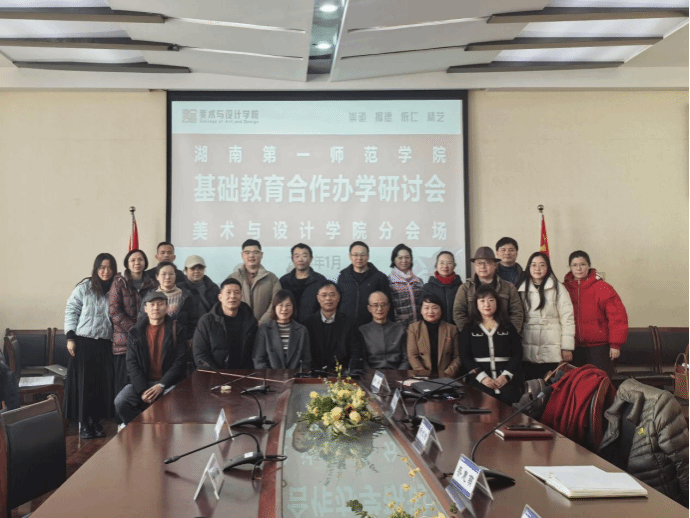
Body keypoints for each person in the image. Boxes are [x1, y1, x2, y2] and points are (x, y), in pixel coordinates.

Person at [64, 253, 117, 439]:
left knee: (100, 386)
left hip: (104, 344)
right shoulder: (85, 287)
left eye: (109, 267)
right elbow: (71, 310)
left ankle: (96, 421)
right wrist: (70, 337)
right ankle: (84, 423)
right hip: (83, 342)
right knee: (84, 385)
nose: (106, 271)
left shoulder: (117, 289)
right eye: (102, 267)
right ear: (96, 269)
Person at [114, 291, 187, 425]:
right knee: (121, 402)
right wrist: (142, 390)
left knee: (171, 403)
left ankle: (160, 431)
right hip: (143, 382)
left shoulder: (177, 329)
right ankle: (139, 428)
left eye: (160, 304)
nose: (156, 308)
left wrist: (161, 385)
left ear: (167, 307)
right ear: (145, 308)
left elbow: (179, 362)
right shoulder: (135, 332)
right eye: (152, 305)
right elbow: (131, 363)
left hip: (167, 383)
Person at [563, 251, 628, 378]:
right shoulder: (563, 288)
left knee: (601, 382)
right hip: (573, 348)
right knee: (576, 383)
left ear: (589, 266)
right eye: (574, 265)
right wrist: (564, 346)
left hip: (599, 348)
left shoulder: (603, 287)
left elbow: (617, 317)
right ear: (570, 267)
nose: (579, 268)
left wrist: (615, 344)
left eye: (582, 264)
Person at [459, 284, 523, 404]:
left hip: (506, 382)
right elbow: (465, 357)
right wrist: (482, 378)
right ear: (476, 304)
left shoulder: (508, 326)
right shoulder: (469, 328)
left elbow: (517, 354)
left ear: (497, 303)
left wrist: (506, 376)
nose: (487, 304)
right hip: (479, 383)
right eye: (482, 301)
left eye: (491, 300)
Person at [517, 252, 575, 381]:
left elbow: (567, 318)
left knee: (551, 385)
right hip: (527, 346)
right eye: (533, 265)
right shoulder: (520, 288)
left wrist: (567, 347)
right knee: (531, 386)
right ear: (528, 267)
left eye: (542, 265)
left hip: (553, 347)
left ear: (548, 267)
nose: (537, 269)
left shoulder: (558, 288)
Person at [109, 249, 155, 396]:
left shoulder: (152, 283)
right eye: (133, 260)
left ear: (145, 262)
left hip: (146, 341)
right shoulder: (119, 282)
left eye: (140, 259)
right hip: (124, 342)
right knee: (123, 386)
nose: (137, 263)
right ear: (127, 263)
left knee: (143, 384)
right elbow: (114, 312)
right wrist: (134, 329)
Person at [453, 246, 524, 334]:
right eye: (479, 263)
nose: (482, 266)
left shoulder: (509, 288)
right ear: (475, 266)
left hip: (503, 336)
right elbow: (458, 313)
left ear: (495, 265)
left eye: (487, 263)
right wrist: (469, 333)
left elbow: (517, 313)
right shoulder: (465, 288)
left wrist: (510, 334)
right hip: (474, 336)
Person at [193, 279, 258, 369]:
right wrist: (218, 374)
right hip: (215, 374)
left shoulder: (250, 321)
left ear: (241, 296)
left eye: (236, 292)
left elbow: (257, 353)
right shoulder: (206, 321)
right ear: (220, 297)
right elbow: (200, 356)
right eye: (228, 292)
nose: (232, 296)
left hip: (245, 373)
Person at [303, 281, 363, 371]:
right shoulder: (307, 324)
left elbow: (356, 352)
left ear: (338, 297)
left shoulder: (350, 323)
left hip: (342, 373)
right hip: (315, 373)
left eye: (332, 295)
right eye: (324, 295)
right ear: (318, 298)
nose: (328, 298)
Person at [336, 241, 393, 327]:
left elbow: (388, 304)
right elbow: (338, 302)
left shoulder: (379, 278)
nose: (359, 258)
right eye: (355, 255)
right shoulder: (343, 277)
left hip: (372, 328)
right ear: (350, 256)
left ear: (368, 256)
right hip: (346, 327)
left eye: (363, 255)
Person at [142, 261, 199, 342]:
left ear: (175, 276)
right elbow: (142, 319)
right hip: (154, 340)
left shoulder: (186, 296)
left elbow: (194, 322)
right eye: (164, 274)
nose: (167, 277)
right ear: (157, 277)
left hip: (180, 342)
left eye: (171, 274)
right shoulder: (149, 296)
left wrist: (187, 339)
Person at [227, 239, 281, 325]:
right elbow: (226, 302)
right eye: (247, 252)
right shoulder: (233, 278)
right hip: (238, 327)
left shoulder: (272, 278)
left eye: (255, 252)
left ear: (261, 255)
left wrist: (261, 323)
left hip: (265, 327)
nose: (251, 256)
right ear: (242, 255)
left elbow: (276, 302)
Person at [253, 290, 311, 369]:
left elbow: (306, 361)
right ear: (274, 307)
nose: (284, 309)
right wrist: (270, 375)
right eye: (280, 305)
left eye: (288, 305)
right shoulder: (264, 330)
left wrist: (297, 375)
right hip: (270, 375)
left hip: (295, 375)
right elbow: (258, 360)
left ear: (293, 307)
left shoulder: (302, 330)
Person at [407, 293, 461, 377]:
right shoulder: (414, 328)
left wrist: (446, 374)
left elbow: (457, 357)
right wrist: (424, 375)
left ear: (441, 310)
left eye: (435, 307)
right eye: (426, 308)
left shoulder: (451, 329)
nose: (430, 311)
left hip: (446, 376)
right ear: (421, 310)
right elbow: (412, 356)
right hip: (422, 376)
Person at [359, 291, 409, 370]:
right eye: (375, 305)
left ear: (388, 307)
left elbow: (406, 359)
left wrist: (399, 374)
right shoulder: (362, 331)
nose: (379, 309)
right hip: (371, 374)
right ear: (369, 308)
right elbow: (362, 360)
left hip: (397, 373)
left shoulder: (401, 329)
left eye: (383, 305)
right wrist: (371, 375)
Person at [279, 243, 328, 323]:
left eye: (304, 256)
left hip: (314, 325)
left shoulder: (320, 280)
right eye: (297, 256)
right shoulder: (284, 281)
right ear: (292, 259)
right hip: (289, 325)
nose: (300, 260)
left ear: (311, 258)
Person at [421, 251, 463, 325]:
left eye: (449, 263)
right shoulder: (427, 288)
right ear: (436, 265)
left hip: (457, 328)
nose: (445, 266)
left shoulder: (461, 287)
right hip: (435, 328)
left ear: (454, 266)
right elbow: (423, 311)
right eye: (442, 263)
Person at [388, 243, 424, 328]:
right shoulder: (389, 282)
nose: (404, 260)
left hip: (419, 328)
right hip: (398, 329)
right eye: (400, 258)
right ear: (394, 259)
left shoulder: (419, 281)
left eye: (407, 257)